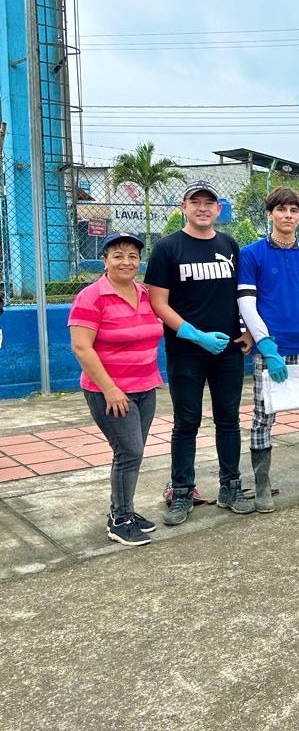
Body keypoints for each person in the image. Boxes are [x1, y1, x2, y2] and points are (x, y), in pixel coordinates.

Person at [145, 180, 255, 526]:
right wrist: (194, 335)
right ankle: (181, 490)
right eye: (196, 202)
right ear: (184, 207)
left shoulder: (229, 245)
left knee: (229, 419)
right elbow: (158, 302)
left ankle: (230, 486)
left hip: (228, 351)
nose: (203, 208)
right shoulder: (167, 248)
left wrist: (249, 331)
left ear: (218, 209)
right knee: (186, 422)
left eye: (210, 202)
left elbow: (244, 294)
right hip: (185, 352)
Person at [237, 186, 299, 512]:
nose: (288, 216)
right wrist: (266, 346)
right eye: (281, 210)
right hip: (271, 352)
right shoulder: (251, 254)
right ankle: (262, 487)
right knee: (263, 417)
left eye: (294, 211)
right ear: (270, 214)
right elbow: (247, 304)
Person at [69, 233, 164, 546]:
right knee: (129, 452)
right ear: (105, 260)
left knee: (132, 454)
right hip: (110, 393)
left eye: (133, 256)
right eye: (118, 255)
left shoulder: (145, 294)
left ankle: (125, 509)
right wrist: (110, 389)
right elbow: (81, 348)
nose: (126, 262)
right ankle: (119, 520)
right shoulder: (91, 297)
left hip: (145, 387)